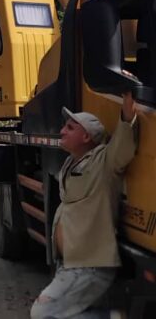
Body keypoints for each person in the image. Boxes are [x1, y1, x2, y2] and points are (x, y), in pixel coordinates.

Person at [31, 91, 138, 319]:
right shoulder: (71, 162)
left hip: (89, 265)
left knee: (43, 312)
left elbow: (122, 148)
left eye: (70, 128)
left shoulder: (104, 161)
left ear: (86, 137)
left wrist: (127, 117)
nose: (61, 131)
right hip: (70, 263)